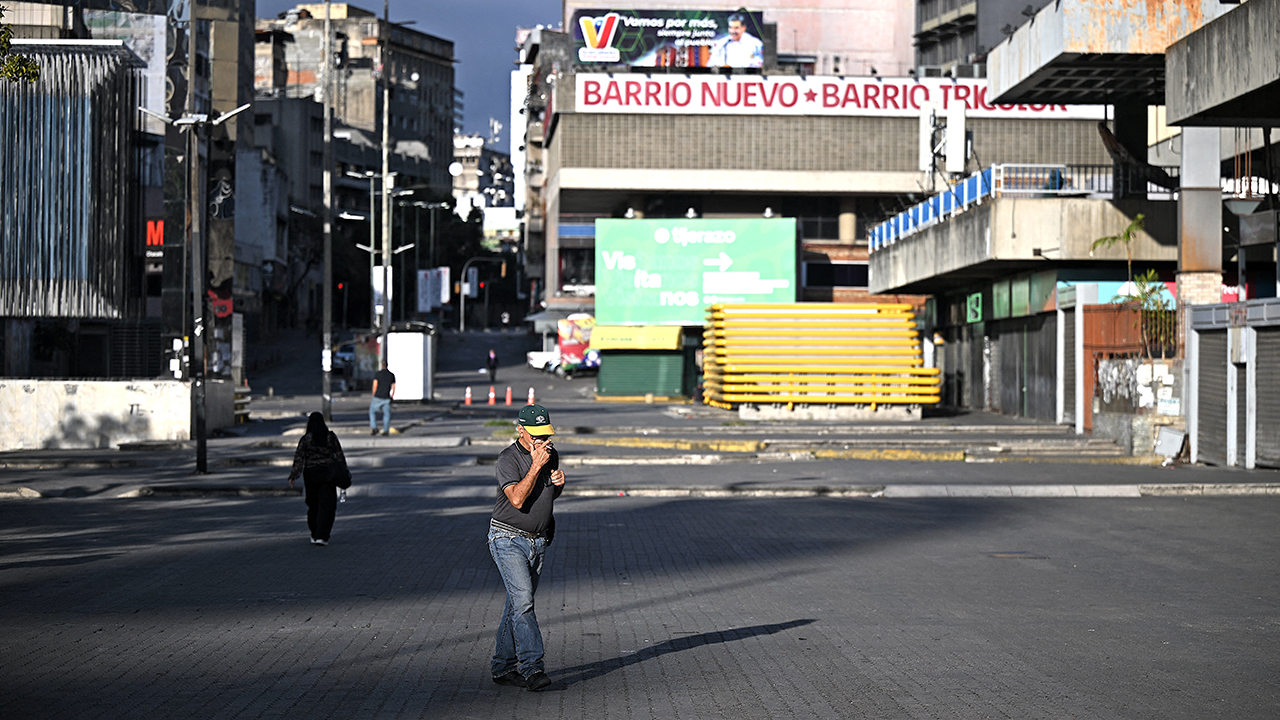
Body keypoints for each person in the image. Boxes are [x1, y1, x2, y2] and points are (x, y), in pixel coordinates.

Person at [488, 404, 565, 692]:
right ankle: (533, 668)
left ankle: (502, 666)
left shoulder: (550, 454)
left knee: (516, 604)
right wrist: (535, 465)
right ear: (520, 430)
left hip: (538, 540)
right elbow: (518, 499)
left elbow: (545, 496)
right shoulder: (507, 459)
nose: (542, 441)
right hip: (507, 538)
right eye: (536, 436)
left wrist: (558, 484)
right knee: (523, 603)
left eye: (546, 435)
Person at [287, 412, 348, 546]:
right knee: (327, 506)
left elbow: (299, 458)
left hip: (311, 475)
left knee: (313, 505)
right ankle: (322, 535)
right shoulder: (330, 437)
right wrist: (344, 473)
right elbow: (339, 455)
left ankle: (314, 533)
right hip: (328, 475)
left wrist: (293, 475)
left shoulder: (306, 439)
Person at [369, 361, 395, 436]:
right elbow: (393, 387)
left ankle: (374, 427)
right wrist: (392, 396)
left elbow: (375, 385)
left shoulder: (378, 374)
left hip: (378, 396)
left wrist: (374, 394)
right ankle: (386, 430)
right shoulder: (391, 375)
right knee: (387, 414)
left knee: (372, 412)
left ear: (381, 365)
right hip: (386, 397)